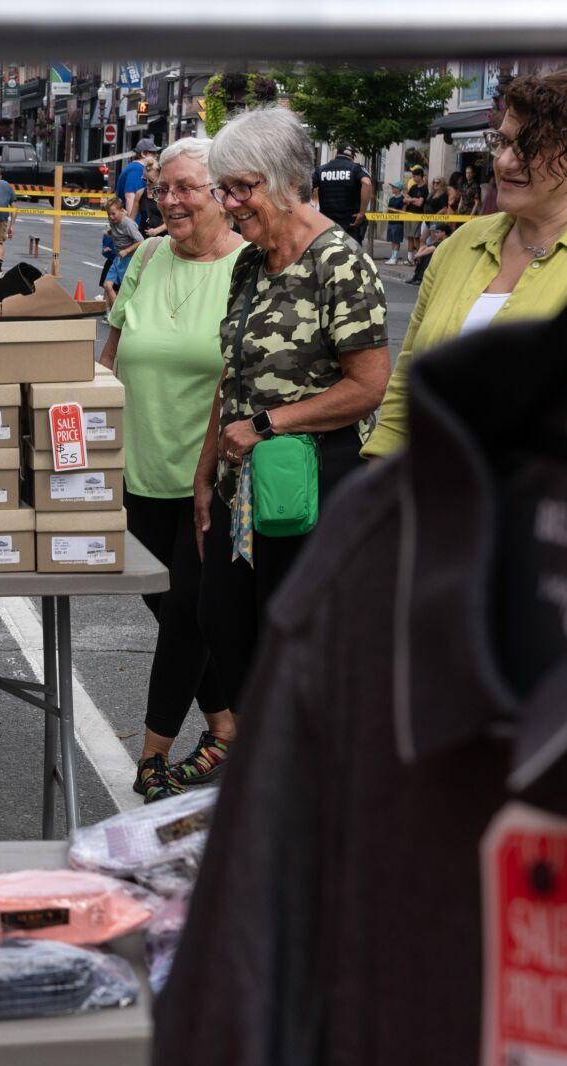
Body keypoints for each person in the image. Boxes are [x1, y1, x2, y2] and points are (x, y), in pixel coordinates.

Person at [364, 70, 567, 459]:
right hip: (427, 485)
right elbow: (408, 379)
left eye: (531, 147)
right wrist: (380, 468)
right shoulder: (462, 244)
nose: (506, 161)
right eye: (505, 142)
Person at [196, 106, 390, 697]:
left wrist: (265, 424)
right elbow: (234, 370)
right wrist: (205, 474)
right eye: (223, 189)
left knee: (292, 653)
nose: (230, 203)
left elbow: (368, 387)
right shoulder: (250, 261)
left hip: (309, 487)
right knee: (226, 629)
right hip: (242, 484)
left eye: (243, 188)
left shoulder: (340, 261)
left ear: (286, 179)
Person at [97, 136, 246, 801]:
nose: (169, 200)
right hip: (139, 470)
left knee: (187, 610)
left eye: (186, 187)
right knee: (176, 610)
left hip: (213, 480)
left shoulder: (248, 267)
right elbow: (110, 359)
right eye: (162, 187)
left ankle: (151, 756)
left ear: (223, 194)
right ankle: (229, 726)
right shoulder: (147, 257)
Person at [311, 143, 373, 242]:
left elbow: (306, 186)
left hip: (327, 224)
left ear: (337, 153)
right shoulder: (356, 169)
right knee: (350, 251)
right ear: (353, 156)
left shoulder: (321, 170)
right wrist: (362, 213)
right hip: (350, 225)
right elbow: (367, 183)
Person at [102, 197, 144, 304]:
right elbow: (117, 232)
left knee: (126, 291)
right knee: (107, 285)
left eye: (113, 214)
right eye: (109, 214)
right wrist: (110, 233)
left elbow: (141, 241)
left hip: (130, 259)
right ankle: (115, 312)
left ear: (121, 211)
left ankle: (123, 311)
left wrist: (126, 250)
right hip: (118, 258)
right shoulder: (112, 221)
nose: (111, 217)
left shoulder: (128, 224)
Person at [117, 137, 157, 219]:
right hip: (135, 222)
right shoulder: (136, 169)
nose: (156, 156)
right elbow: (130, 197)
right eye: (153, 153)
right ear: (143, 153)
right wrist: (132, 224)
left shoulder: (138, 168)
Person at [401, 165, 427, 257]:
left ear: (420, 176)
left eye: (415, 176)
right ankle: (410, 257)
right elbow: (405, 200)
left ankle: (419, 257)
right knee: (410, 237)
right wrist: (413, 199)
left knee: (416, 237)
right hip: (409, 214)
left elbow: (420, 203)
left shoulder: (424, 188)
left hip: (417, 215)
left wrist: (410, 200)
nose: (413, 178)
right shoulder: (413, 187)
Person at [383, 182, 406, 263]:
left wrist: (396, 212)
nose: (392, 189)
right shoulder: (391, 199)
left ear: (398, 189)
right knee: (392, 240)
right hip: (391, 222)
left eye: (394, 187)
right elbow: (388, 209)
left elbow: (404, 211)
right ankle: (392, 256)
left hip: (398, 222)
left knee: (396, 240)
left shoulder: (403, 199)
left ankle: (394, 257)